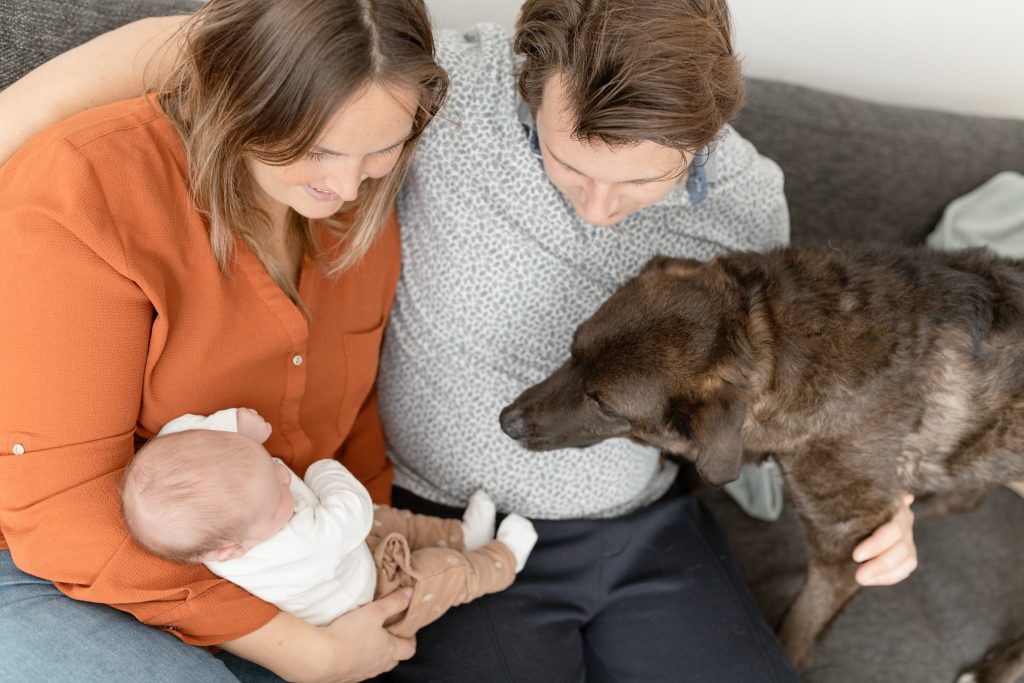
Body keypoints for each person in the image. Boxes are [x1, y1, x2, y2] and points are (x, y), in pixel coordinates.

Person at [0, 0, 919, 680]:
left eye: (642, 183)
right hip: (384, 525)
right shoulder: (432, 107)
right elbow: (252, 45)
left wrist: (878, 497)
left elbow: (789, 398)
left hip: (615, 526)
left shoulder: (749, 201)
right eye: (567, 164)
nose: (598, 214)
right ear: (524, 89)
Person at [0, 0, 452, 681]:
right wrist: (303, 649)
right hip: (57, 565)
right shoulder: (88, 189)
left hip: (281, 558)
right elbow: (60, 517)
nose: (345, 186)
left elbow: (350, 418)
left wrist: (379, 562)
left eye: (381, 152)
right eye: (316, 150)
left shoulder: (355, 204)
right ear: (240, 98)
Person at [122, 407, 537, 636]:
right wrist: (323, 471)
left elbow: (182, 432)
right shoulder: (298, 544)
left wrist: (230, 426)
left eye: (270, 464)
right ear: (233, 550)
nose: (286, 476)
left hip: (351, 550)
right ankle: (500, 560)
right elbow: (350, 510)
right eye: (278, 493)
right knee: (435, 574)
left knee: (395, 521)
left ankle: (464, 534)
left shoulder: (219, 515)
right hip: (372, 596)